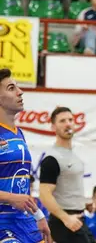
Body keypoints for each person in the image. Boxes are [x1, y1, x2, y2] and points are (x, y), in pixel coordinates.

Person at [0, 69, 53, 243]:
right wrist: (10, 198)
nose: (20, 91)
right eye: (11, 88)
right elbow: (15, 196)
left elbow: (21, 186)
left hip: (25, 221)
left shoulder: (18, 134)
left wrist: (38, 216)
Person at [39, 106, 94, 243]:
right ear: (53, 127)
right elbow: (44, 195)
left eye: (70, 120)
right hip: (64, 223)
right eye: (62, 121)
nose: (68, 123)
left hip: (79, 219)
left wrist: (82, 203)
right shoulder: (52, 159)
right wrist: (65, 218)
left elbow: (67, 187)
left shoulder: (73, 155)